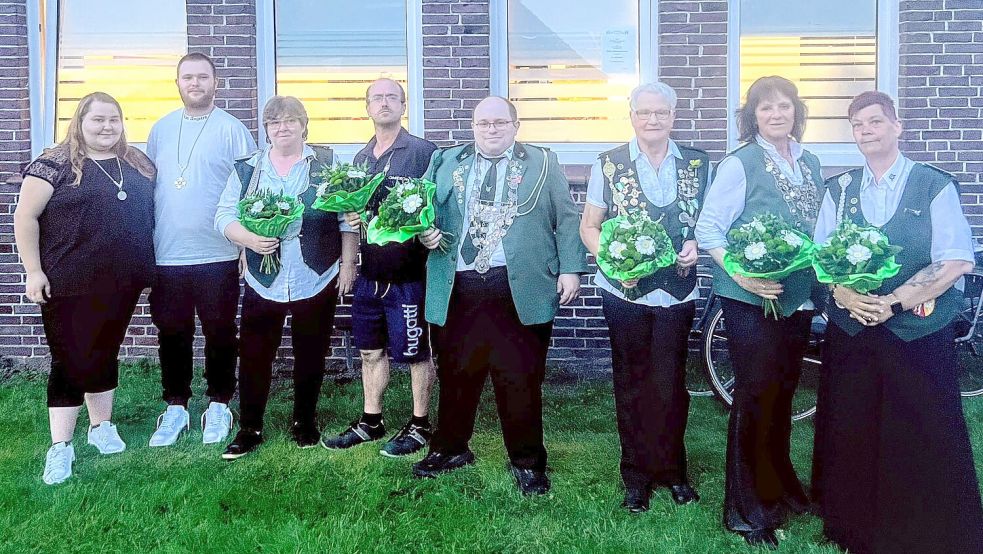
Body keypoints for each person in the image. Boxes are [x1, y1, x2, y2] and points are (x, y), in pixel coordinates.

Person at [811, 91, 983, 553]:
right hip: (854, 328)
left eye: (874, 122)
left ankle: (924, 526)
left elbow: (954, 260)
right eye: (858, 125)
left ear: (896, 126)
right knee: (855, 424)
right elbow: (820, 258)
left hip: (917, 329)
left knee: (919, 424)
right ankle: (854, 525)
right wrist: (846, 295)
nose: (866, 131)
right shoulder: (840, 188)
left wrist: (894, 302)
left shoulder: (933, 184)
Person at [411, 96, 589, 495]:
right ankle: (451, 448)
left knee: (520, 376)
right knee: (456, 373)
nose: (491, 130)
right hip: (458, 284)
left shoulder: (543, 163)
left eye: (499, 123)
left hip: (519, 284)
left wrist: (571, 268)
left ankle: (527, 462)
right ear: (473, 127)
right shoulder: (446, 161)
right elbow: (419, 208)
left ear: (515, 125)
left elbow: (566, 216)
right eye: (483, 124)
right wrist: (424, 230)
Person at [694, 76, 821, 548]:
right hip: (749, 299)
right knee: (755, 397)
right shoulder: (740, 162)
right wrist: (744, 277)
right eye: (766, 108)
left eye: (784, 106)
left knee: (785, 395)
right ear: (753, 115)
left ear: (796, 111)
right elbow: (711, 230)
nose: (776, 115)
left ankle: (781, 486)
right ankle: (748, 511)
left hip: (796, 297)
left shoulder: (809, 162)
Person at [14, 92, 157, 484]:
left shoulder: (136, 162)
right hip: (68, 281)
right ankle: (60, 447)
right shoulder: (53, 164)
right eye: (97, 120)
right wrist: (33, 271)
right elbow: (25, 217)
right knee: (70, 360)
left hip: (121, 281)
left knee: (105, 350)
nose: (106, 126)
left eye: (114, 119)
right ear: (80, 121)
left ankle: (101, 427)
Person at [579, 82, 707, 512]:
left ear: (674, 116)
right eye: (644, 113)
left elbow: (707, 225)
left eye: (661, 113)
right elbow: (589, 227)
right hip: (624, 293)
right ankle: (635, 475)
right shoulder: (609, 164)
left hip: (677, 292)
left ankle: (673, 470)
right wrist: (613, 263)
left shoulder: (698, 163)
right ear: (631, 116)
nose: (653, 120)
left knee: (671, 384)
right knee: (631, 383)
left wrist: (697, 248)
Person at [214, 96, 358, 459]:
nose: (283, 128)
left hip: (316, 273)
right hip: (264, 277)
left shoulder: (326, 163)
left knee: (311, 353)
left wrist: (348, 264)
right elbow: (223, 216)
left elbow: (346, 218)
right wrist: (249, 240)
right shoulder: (249, 168)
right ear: (266, 129)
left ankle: (304, 422)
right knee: (254, 355)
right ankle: (250, 428)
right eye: (275, 122)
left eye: (291, 121)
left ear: (303, 125)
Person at [320, 78, 439, 457]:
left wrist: (431, 232)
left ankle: (421, 425)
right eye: (377, 98)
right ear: (367, 107)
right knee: (371, 351)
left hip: (409, 274)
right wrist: (349, 262)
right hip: (371, 275)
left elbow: (438, 206)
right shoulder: (360, 159)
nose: (384, 103)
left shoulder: (423, 152)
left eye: (392, 97)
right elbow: (350, 217)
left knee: (417, 353)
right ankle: (371, 420)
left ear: (403, 105)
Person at [145, 52, 256, 448]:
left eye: (203, 77)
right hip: (168, 256)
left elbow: (250, 191)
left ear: (215, 82)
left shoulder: (232, 130)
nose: (195, 83)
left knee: (220, 333)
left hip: (218, 254)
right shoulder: (160, 129)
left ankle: (219, 404)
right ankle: (175, 406)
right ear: (177, 83)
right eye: (188, 77)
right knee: (172, 333)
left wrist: (245, 244)